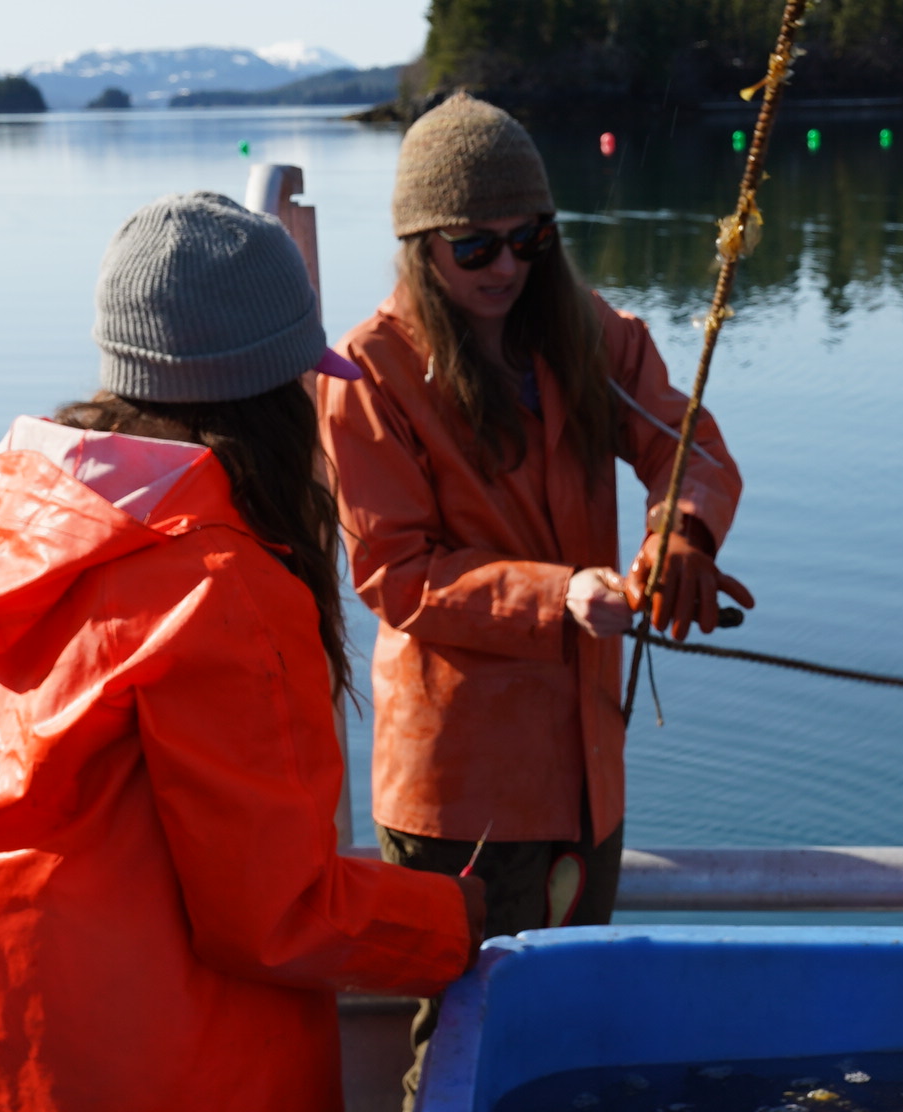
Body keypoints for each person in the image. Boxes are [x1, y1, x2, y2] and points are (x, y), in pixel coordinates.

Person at [0, 192, 487, 1112]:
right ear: (276, 395)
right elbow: (280, 914)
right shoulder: (218, 587)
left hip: (0, 1067)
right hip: (193, 1077)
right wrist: (458, 922)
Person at [316, 92, 748, 1096]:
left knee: (571, 1013)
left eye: (530, 239)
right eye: (476, 248)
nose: (508, 266)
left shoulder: (590, 336)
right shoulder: (369, 373)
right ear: (423, 246)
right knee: (465, 1019)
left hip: (587, 769)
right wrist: (557, 595)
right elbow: (395, 572)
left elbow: (689, 449)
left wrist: (679, 529)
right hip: (459, 785)